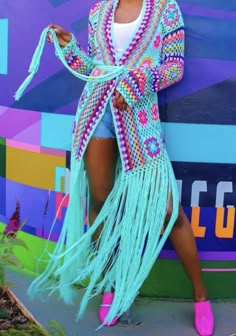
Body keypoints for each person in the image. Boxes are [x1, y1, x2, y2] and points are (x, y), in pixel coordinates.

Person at [18, 0, 214, 335]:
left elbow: (173, 67)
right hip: (98, 114)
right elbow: (95, 67)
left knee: (167, 210)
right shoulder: (99, 11)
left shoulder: (166, 8)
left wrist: (135, 84)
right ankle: (111, 283)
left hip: (139, 118)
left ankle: (200, 295)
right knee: (99, 200)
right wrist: (70, 49)